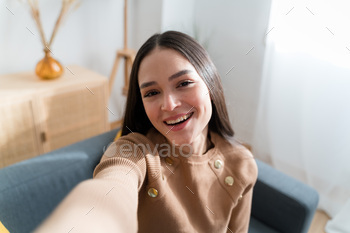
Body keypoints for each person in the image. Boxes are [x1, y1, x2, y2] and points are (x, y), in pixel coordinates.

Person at [35, 31, 257, 233]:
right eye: (152, 93)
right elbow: (112, 190)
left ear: (209, 84)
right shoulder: (134, 151)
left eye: (183, 83)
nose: (168, 105)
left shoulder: (241, 164)